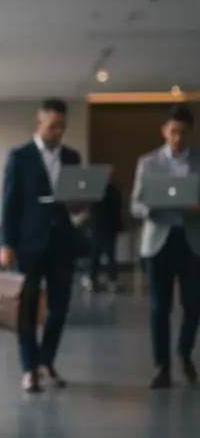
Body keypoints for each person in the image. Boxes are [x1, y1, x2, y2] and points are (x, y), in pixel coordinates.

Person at [0, 98, 85, 393]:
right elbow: (9, 202)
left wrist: (81, 207)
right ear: (39, 124)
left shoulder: (72, 157)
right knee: (27, 307)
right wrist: (6, 243)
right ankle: (29, 368)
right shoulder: (19, 156)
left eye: (62, 126)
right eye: (52, 126)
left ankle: (45, 360)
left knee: (59, 307)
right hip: (28, 243)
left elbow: (75, 198)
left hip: (62, 242)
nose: (57, 132)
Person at [130, 105, 200, 389]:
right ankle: (162, 366)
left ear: (191, 132)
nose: (178, 137)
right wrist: (151, 208)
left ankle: (184, 353)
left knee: (194, 305)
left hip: (192, 240)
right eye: (173, 131)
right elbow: (135, 204)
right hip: (159, 240)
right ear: (164, 131)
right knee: (160, 308)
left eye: (183, 132)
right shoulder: (148, 163)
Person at [86, 181, 123, 293]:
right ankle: (111, 279)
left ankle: (93, 278)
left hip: (98, 226)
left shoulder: (95, 191)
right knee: (109, 254)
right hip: (109, 227)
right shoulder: (113, 191)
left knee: (96, 254)